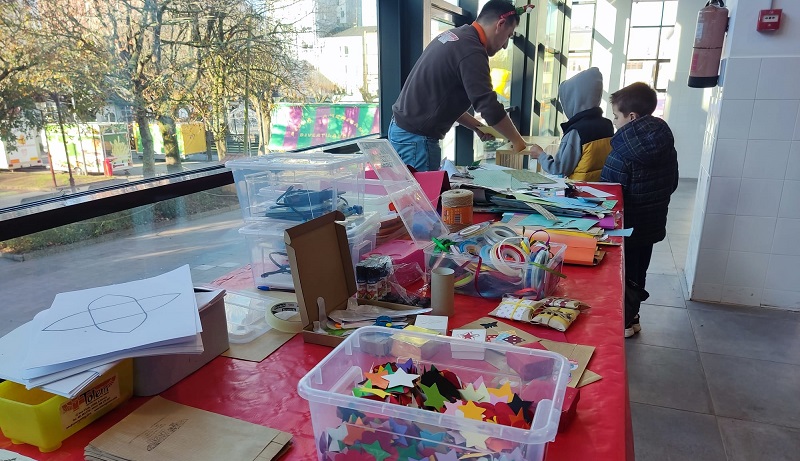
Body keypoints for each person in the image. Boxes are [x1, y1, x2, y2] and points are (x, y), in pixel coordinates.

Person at [389, 0, 533, 171]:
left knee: (411, 196)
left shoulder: (457, 36)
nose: (504, 45)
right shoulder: (471, 50)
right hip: (416, 140)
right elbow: (488, 106)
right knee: (426, 197)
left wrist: (476, 127)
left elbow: (443, 101)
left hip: (403, 132)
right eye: (508, 36)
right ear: (500, 24)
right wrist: (519, 142)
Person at [600, 82, 679, 338]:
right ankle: (633, 317)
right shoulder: (665, 141)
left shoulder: (623, 150)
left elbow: (610, 192)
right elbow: (673, 183)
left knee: (621, 273)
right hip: (652, 221)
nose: (614, 122)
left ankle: (622, 322)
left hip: (626, 225)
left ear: (631, 117)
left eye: (616, 116)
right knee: (639, 269)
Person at [531, 67, 614, 181]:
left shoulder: (576, 132)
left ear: (574, 100)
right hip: (599, 187)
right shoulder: (607, 125)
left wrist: (540, 155)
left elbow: (559, 169)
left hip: (578, 190)